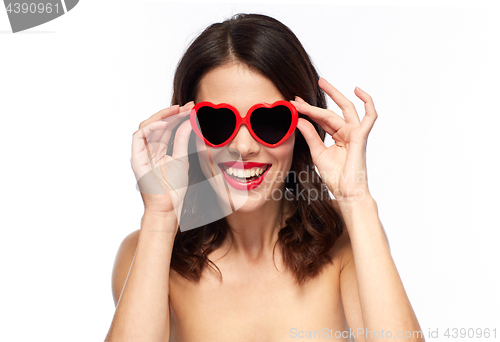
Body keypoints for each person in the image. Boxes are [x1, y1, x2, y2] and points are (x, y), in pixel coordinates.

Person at [105, 13, 424, 342]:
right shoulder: (144, 254)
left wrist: (356, 199)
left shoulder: (348, 242)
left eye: (269, 122)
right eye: (218, 123)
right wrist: (160, 217)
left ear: (302, 127)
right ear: (188, 130)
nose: (243, 147)